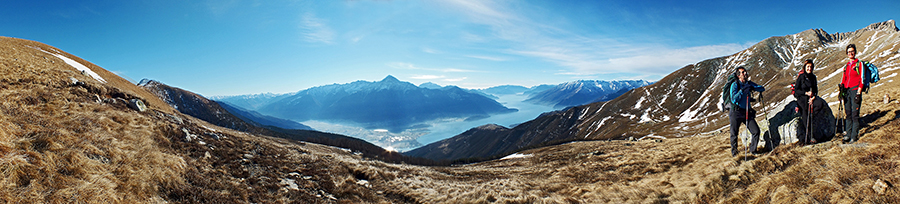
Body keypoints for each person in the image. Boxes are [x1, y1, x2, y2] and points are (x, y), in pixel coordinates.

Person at [729, 66, 766, 156]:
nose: (745, 73)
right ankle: (735, 154)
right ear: (738, 76)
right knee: (734, 133)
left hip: (746, 112)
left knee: (756, 131)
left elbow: (761, 88)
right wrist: (742, 90)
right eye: (742, 72)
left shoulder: (749, 84)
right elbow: (734, 99)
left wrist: (752, 87)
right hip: (735, 112)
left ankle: (753, 151)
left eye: (745, 72)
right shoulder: (735, 85)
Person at [794, 59, 826, 144]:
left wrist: (813, 97)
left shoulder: (813, 77)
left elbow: (815, 89)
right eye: (808, 67)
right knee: (805, 117)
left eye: (811, 67)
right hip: (802, 100)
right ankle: (809, 138)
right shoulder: (801, 77)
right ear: (805, 67)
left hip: (810, 99)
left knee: (819, 104)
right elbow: (796, 91)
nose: (809, 68)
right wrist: (805, 93)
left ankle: (812, 116)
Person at [840, 44, 864, 143]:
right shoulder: (846, 66)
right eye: (849, 52)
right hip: (847, 92)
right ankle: (848, 134)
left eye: (852, 51)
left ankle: (854, 135)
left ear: (855, 52)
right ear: (847, 53)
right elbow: (843, 79)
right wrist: (841, 91)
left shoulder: (859, 64)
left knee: (855, 114)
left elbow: (862, 79)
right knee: (848, 114)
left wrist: (858, 93)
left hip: (855, 91)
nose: (851, 53)